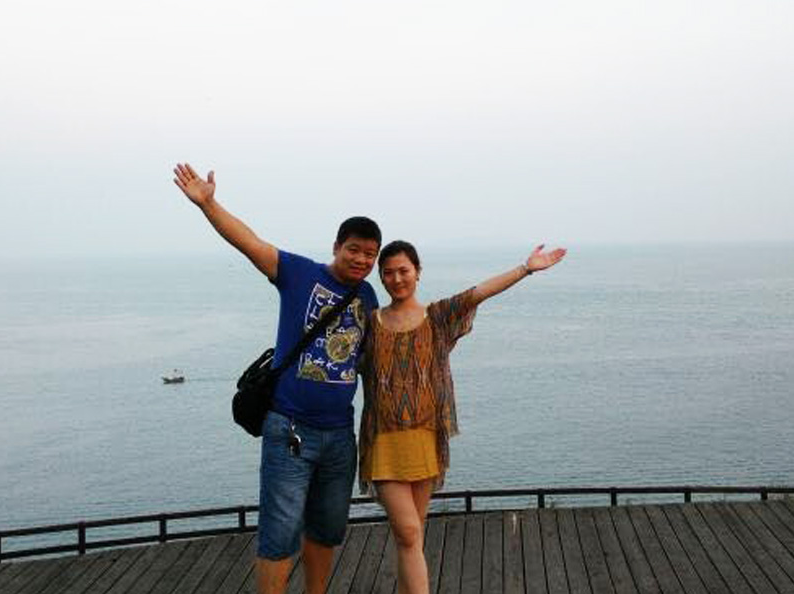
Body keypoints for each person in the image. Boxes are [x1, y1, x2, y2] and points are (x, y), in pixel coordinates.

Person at [173, 163, 381, 594]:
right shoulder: (299, 274)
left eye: (370, 254)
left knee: (326, 529)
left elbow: (370, 357)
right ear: (337, 246)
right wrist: (209, 205)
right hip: (290, 430)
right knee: (280, 533)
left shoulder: (367, 296)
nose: (362, 260)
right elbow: (249, 242)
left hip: (340, 435)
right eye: (354, 250)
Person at [358, 240, 566, 594]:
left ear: (418, 272)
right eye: (388, 272)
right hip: (383, 442)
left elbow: (478, 293)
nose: (396, 279)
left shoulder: (437, 317)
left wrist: (525, 269)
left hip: (426, 438)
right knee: (408, 532)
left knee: (411, 538)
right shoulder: (369, 324)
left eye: (403, 270)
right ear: (381, 277)